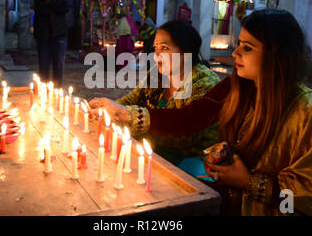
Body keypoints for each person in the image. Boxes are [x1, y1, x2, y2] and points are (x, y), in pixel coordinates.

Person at [90, 9, 312, 215]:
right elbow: (195, 114)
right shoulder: (239, 87)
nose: (234, 53)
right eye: (155, 49)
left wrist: (248, 181)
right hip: (238, 197)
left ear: (278, 55)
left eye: (247, 47)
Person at [91, 20, 221, 173]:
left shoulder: (205, 83)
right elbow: (131, 99)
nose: (157, 55)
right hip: (155, 147)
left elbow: (186, 135)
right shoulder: (157, 74)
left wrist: (124, 115)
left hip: (191, 157)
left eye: (164, 48)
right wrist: (106, 108)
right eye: (155, 48)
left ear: (186, 52)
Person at [33, 0, 69, 87]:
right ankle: (44, 92)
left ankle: (57, 91)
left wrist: (50, 3)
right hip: (44, 36)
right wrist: (53, 4)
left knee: (58, 67)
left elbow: (63, 9)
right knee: (43, 66)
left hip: (59, 35)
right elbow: (40, 10)